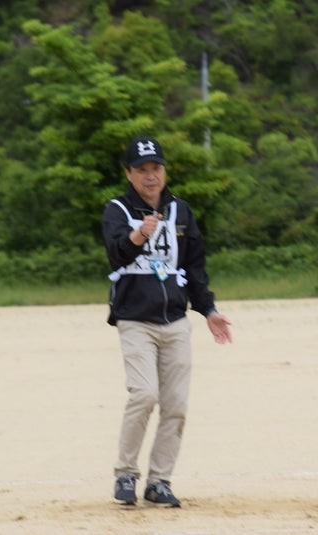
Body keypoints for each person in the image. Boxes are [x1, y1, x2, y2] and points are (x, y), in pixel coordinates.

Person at [102, 135, 233, 507]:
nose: (150, 176)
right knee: (144, 394)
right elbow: (116, 253)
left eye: (156, 168)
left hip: (174, 321)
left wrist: (208, 310)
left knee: (175, 404)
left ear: (164, 171)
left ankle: (159, 481)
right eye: (141, 169)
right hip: (135, 320)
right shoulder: (117, 209)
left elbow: (194, 267)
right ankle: (126, 473)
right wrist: (139, 235)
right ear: (129, 174)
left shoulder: (181, 211)